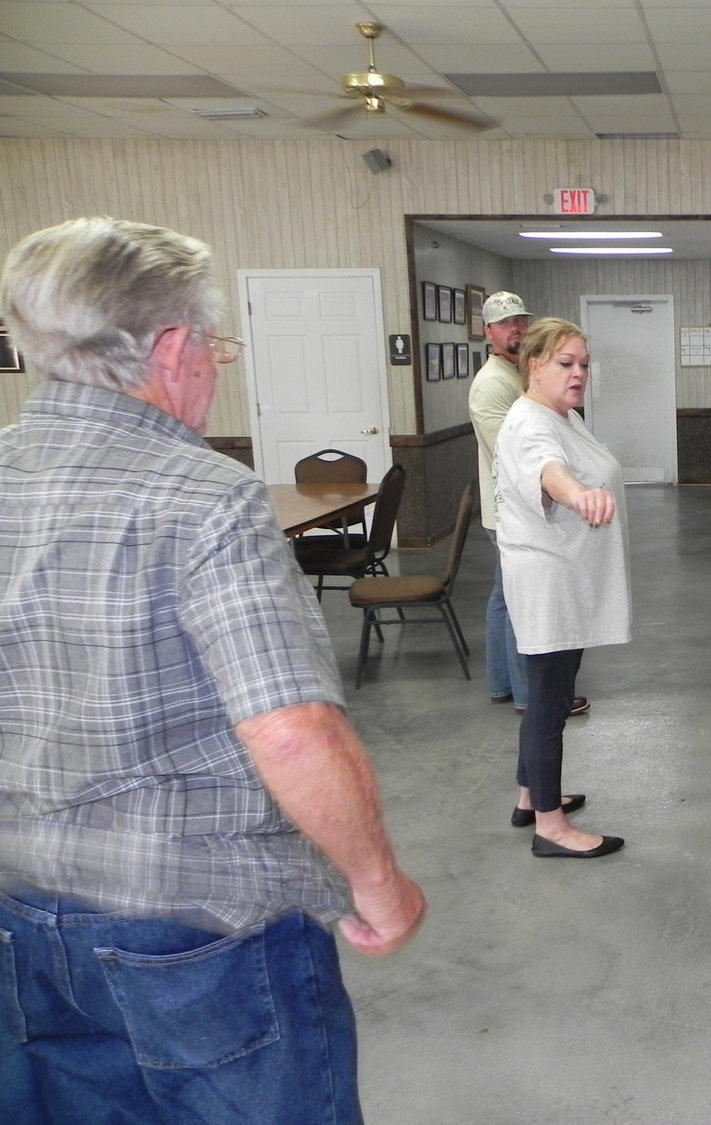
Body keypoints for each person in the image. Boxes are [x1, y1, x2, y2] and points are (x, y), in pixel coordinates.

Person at [0, 216, 425, 1123]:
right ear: (171, 347)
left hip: (19, 914)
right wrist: (377, 880)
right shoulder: (206, 495)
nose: (217, 366)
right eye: (215, 345)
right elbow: (291, 729)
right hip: (199, 932)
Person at [493, 318, 630, 859]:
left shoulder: (559, 415)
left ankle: (531, 797)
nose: (579, 374)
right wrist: (579, 496)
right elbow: (547, 470)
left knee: (549, 690)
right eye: (565, 363)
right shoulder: (531, 423)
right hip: (548, 581)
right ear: (535, 366)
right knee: (550, 702)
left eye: (584, 365)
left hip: (561, 575)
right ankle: (551, 828)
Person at [469, 291, 588, 717]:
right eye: (504, 323)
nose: (515, 329)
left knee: (504, 598)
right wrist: (574, 488)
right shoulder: (493, 385)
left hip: (515, 508)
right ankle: (530, 695)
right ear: (487, 332)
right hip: (512, 511)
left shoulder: (515, 373)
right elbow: (523, 454)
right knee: (522, 602)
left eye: (520, 320)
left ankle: (504, 684)